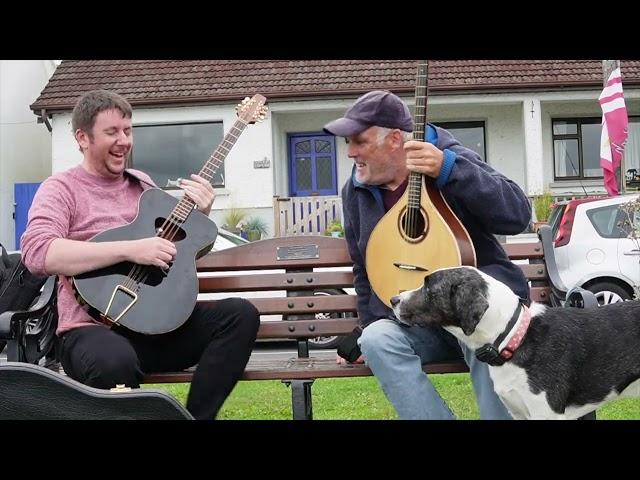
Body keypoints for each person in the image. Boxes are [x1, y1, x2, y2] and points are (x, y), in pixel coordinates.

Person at [21, 90, 260, 420]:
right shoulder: (61, 189)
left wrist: (201, 211)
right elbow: (38, 253)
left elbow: (172, 248)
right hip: (91, 330)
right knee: (114, 362)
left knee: (240, 315)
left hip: (155, 328)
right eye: (112, 132)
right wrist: (132, 249)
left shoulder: (143, 185)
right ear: (82, 138)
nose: (123, 141)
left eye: (128, 131)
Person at [323, 90, 532, 420]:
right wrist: (365, 327)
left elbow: (517, 215)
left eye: (359, 141)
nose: (349, 152)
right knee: (377, 339)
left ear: (394, 139)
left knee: (485, 324)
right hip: (415, 318)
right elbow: (365, 270)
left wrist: (449, 170)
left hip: (472, 311)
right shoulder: (356, 191)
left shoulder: (449, 159)